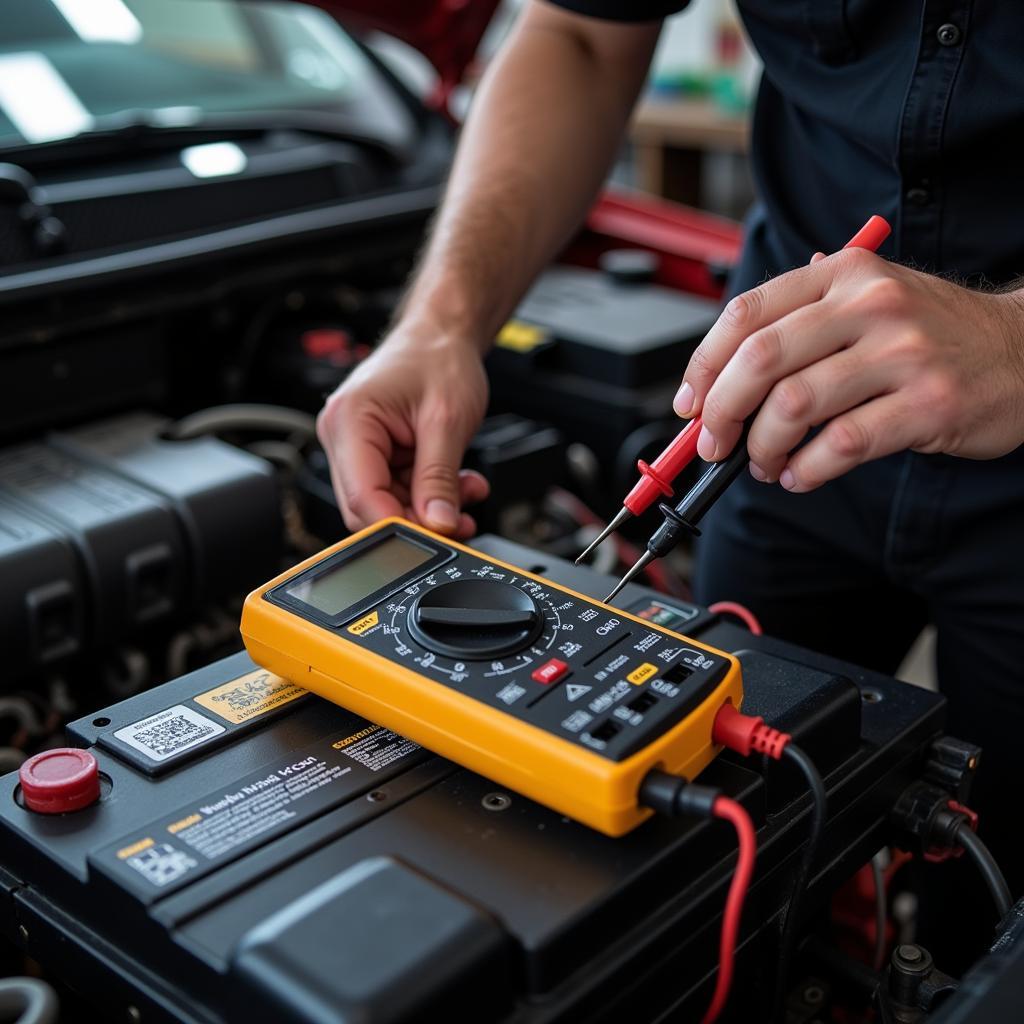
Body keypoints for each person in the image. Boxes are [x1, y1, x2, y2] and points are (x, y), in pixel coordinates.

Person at [317, 0, 1024, 959]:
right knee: (718, 884)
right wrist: (437, 325)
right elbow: (578, 35)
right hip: (772, 429)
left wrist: (1011, 343)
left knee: (990, 922)